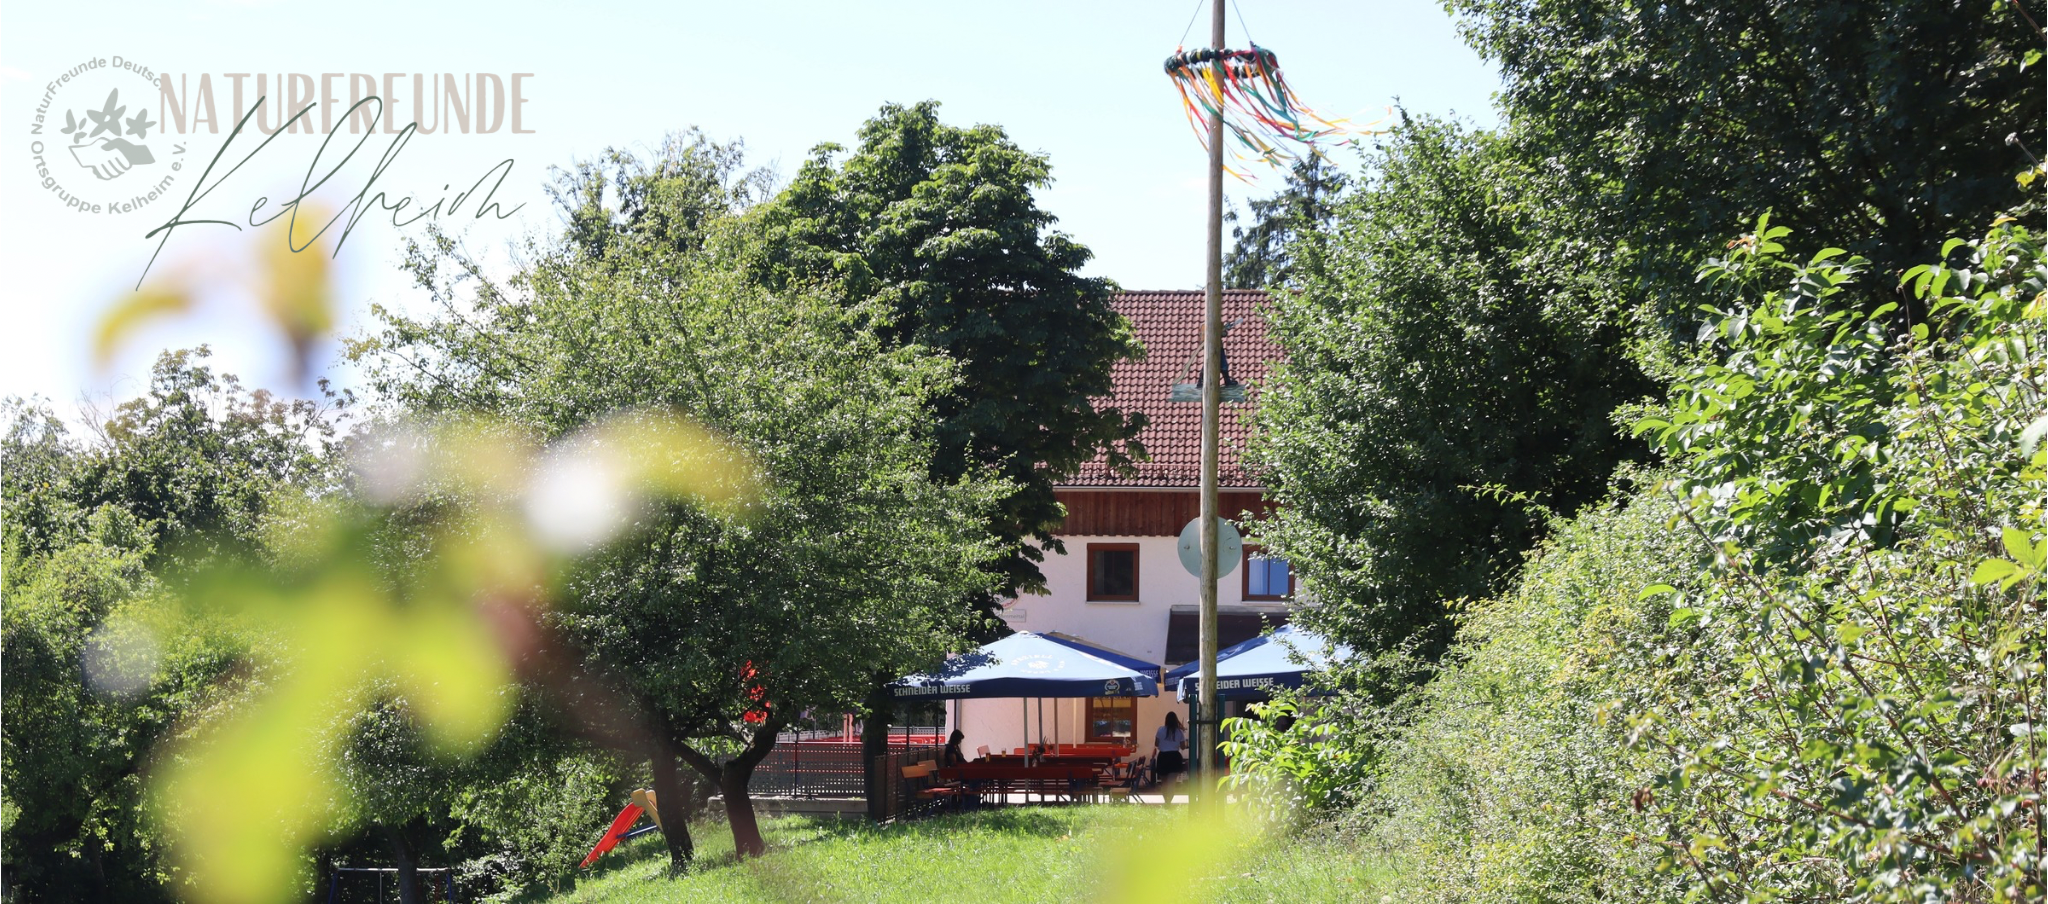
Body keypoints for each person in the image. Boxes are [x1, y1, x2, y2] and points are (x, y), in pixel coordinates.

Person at [1154, 712, 1187, 784]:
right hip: (1174, 757)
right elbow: (1183, 747)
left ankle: (1165, 791)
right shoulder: (1179, 732)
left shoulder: (1160, 730)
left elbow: (1156, 744)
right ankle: (1170, 791)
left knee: (1164, 783)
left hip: (1163, 757)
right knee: (1171, 783)